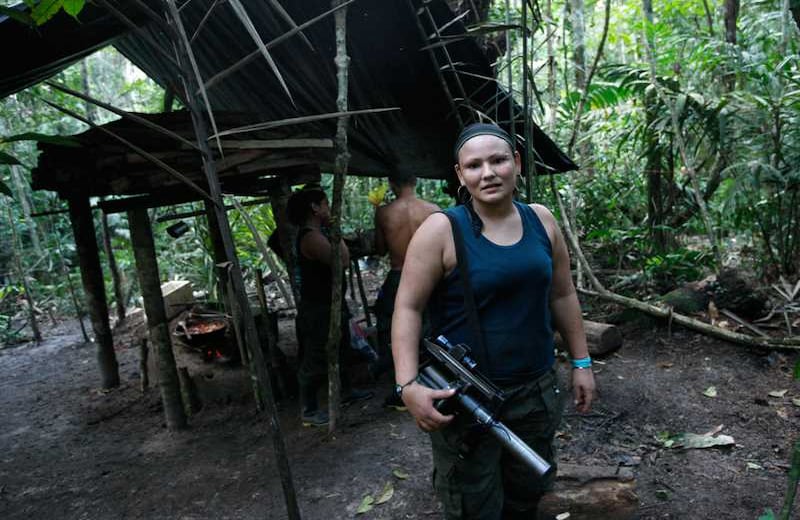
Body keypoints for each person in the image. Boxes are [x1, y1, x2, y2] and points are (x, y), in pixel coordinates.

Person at [390, 123, 596, 519]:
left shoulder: (541, 220)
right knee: (474, 504)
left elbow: (562, 293)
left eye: (499, 160)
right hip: (468, 399)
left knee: (526, 496)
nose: (488, 173)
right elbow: (407, 308)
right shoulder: (442, 230)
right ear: (460, 175)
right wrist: (407, 385)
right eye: (474, 165)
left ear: (516, 163)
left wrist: (582, 362)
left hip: (536, 390)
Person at [287, 187, 372, 427]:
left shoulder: (316, 233)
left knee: (340, 347)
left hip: (326, 305)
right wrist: (335, 229)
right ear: (314, 208)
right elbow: (342, 260)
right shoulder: (311, 237)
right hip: (317, 309)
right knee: (316, 356)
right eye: (324, 204)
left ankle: (345, 391)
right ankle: (309, 409)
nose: (328, 208)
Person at [371, 173, 440, 408]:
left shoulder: (384, 213)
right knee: (435, 326)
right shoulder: (433, 210)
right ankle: (437, 380)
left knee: (395, 329)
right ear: (416, 182)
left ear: (392, 183)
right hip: (432, 275)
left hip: (400, 275)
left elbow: (380, 249)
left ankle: (404, 385)